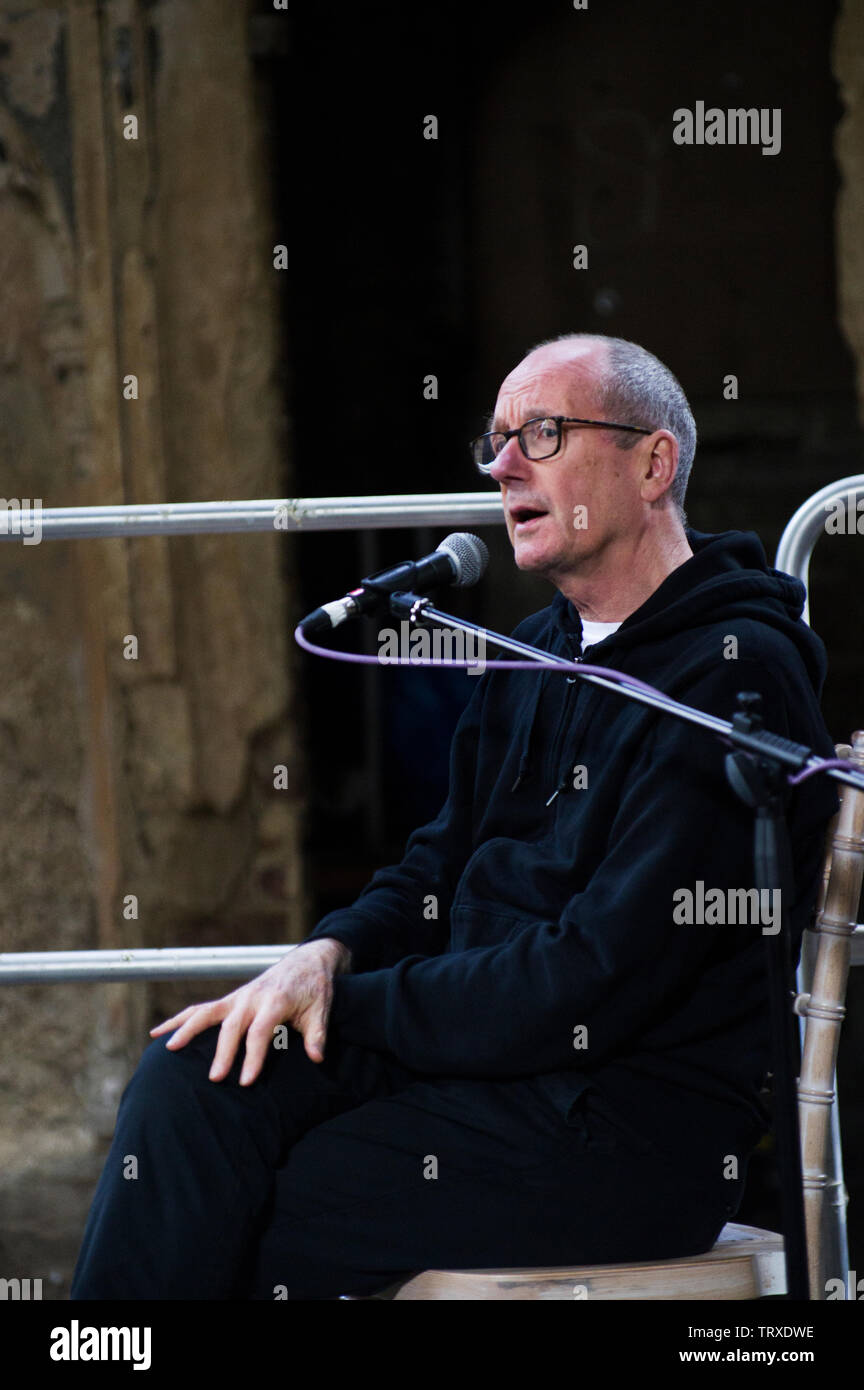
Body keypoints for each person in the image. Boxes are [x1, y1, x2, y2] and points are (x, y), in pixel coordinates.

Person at [70, 333, 839, 1300]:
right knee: (193, 1081)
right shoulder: (532, 650)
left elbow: (590, 980)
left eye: (544, 434)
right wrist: (326, 958)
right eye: (497, 439)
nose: (503, 464)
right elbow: (430, 873)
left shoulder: (734, 671)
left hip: (623, 1126)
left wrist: (351, 1011)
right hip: (478, 1072)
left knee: (267, 1198)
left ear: (654, 464)